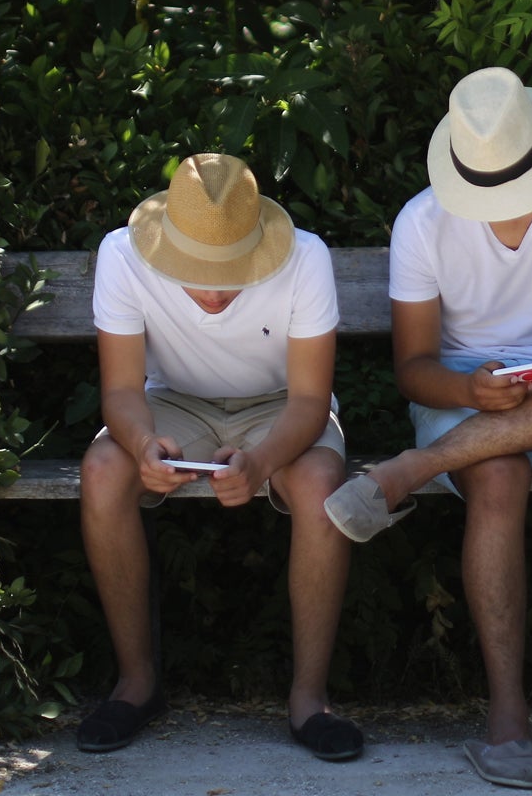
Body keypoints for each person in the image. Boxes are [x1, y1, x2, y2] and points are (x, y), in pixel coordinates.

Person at [324, 67, 532, 790]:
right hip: (465, 406)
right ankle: (509, 725)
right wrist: (467, 389)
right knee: (500, 471)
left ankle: (405, 474)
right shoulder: (422, 221)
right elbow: (414, 369)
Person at [75, 153, 364, 762]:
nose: (209, 291)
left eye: (228, 271)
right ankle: (136, 684)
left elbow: (311, 402)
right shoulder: (121, 255)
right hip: (174, 401)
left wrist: (258, 463)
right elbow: (123, 392)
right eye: (192, 271)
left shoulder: (306, 257)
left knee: (318, 482)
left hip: (281, 406)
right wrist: (138, 444)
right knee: (102, 471)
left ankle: (310, 698)